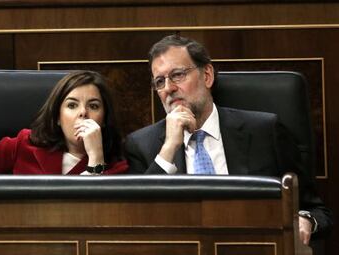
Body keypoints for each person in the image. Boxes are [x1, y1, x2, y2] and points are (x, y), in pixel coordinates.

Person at [124, 34, 332, 245]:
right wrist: (168, 148)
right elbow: (135, 223)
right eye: (160, 81)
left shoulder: (264, 132)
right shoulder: (142, 145)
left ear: (207, 75)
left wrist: (306, 221)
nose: (168, 87)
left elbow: (317, 211)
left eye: (177, 75)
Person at [0, 70, 128, 175]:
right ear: (58, 117)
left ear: (104, 119)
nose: (83, 112)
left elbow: (100, 214)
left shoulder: (117, 166)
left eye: (94, 106)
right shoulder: (24, 144)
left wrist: (96, 158)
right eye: (72, 105)